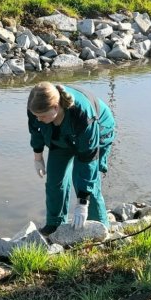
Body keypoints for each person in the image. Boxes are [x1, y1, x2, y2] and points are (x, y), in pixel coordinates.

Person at [27, 82, 116, 235]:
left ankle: (100, 227)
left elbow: (88, 160)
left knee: (86, 184)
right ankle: (55, 225)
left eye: (42, 116)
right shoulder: (36, 107)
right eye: (36, 116)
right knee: (55, 181)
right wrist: (38, 157)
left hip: (97, 132)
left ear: (56, 107)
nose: (38, 119)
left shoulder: (83, 115)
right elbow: (35, 131)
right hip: (60, 137)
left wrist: (82, 202)